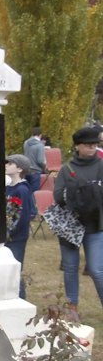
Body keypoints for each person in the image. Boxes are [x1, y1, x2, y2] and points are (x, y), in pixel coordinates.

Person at [53, 125, 103, 315]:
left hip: (96, 225)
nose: (92, 148)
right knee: (70, 268)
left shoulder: (101, 165)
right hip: (71, 226)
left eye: (95, 145)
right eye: (88, 145)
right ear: (77, 147)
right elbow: (58, 195)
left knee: (98, 270)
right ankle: (71, 308)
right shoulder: (67, 168)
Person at [5, 154, 33, 299]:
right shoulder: (8, 187)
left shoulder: (21, 190)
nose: (6, 165)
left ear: (20, 168)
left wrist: (7, 234)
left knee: (14, 269)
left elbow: (20, 217)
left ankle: (21, 298)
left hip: (15, 238)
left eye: (11, 163)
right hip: (5, 237)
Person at [23, 127, 47, 194]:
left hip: (26, 170)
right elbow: (40, 160)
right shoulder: (40, 145)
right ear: (40, 135)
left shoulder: (26, 143)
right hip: (35, 172)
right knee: (35, 194)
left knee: (27, 192)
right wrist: (44, 167)